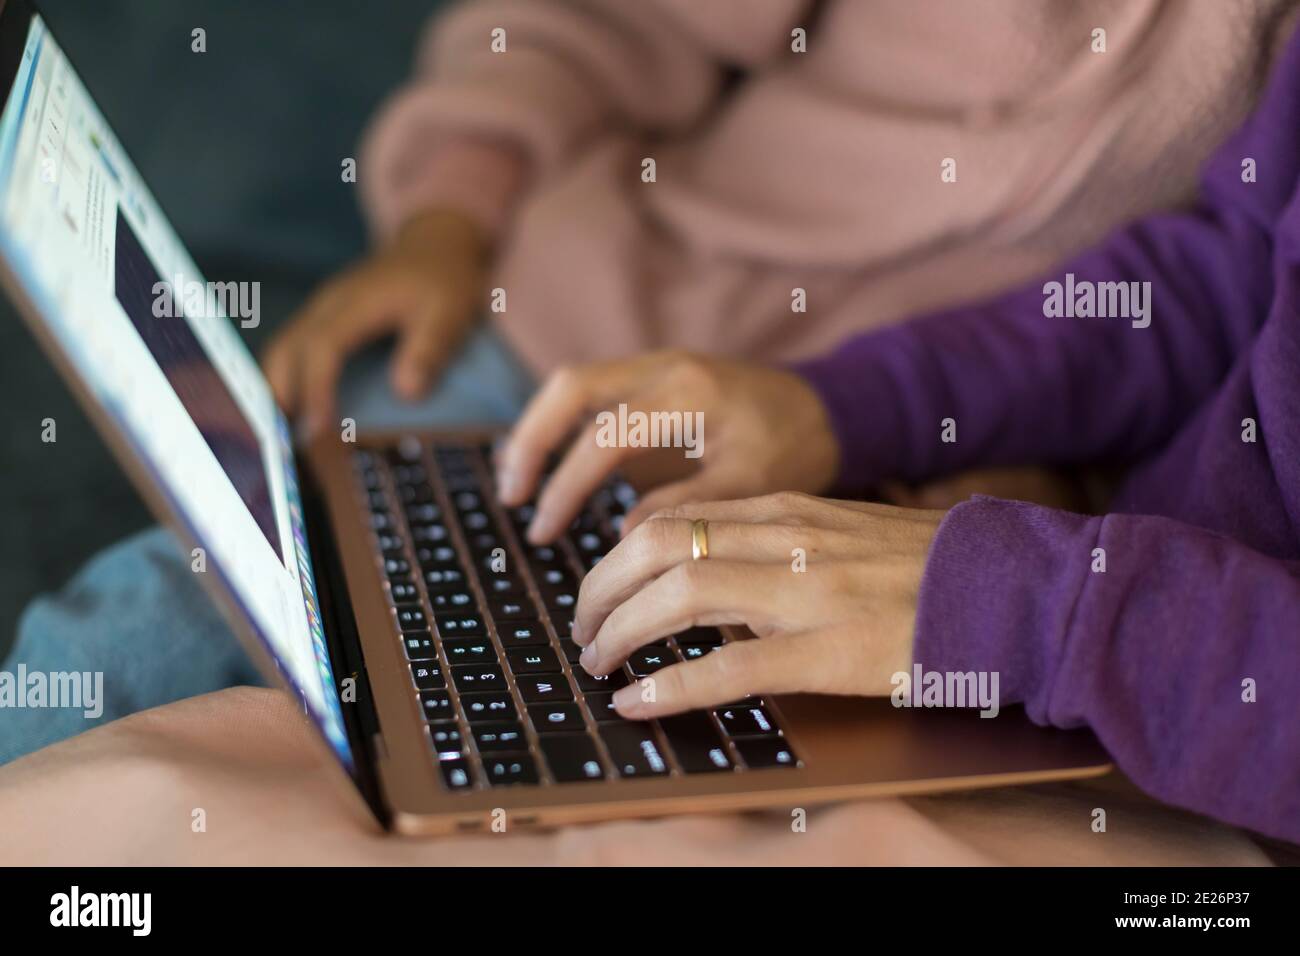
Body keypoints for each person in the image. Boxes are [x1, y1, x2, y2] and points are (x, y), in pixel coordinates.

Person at [1, 0, 1293, 771]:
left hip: (890, 511)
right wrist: (451, 216)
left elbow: (1207, 308)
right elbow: (607, 22)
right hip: (583, 348)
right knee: (142, 634)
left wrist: (1014, 498)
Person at [489, 20, 1300, 844]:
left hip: (1206, 769)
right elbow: (1232, 272)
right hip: (1077, 623)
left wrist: (1045, 610)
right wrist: (846, 409)